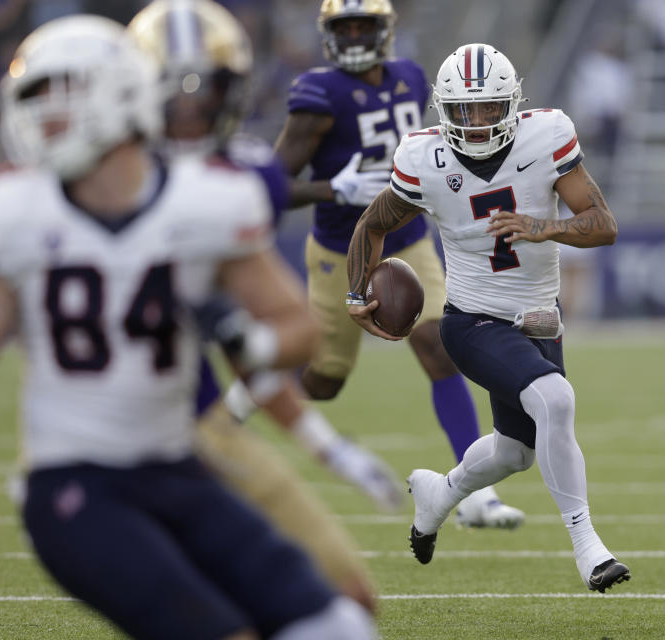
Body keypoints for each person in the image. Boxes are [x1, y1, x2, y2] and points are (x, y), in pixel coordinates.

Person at [0, 15, 376, 639]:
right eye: (36, 102)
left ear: (122, 96)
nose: (46, 121)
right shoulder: (16, 212)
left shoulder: (206, 201)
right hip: (77, 483)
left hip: (177, 466)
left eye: (62, 100)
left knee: (339, 624)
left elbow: (298, 328)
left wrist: (250, 343)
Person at [127, 0, 394, 612]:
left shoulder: (235, 186)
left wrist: (328, 446)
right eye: (173, 94)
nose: (189, 112)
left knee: (350, 597)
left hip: (201, 427)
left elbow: (269, 338)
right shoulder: (69, 194)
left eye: (205, 92)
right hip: (104, 450)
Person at [346, 43, 630, 593]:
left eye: (488, 109)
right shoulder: (424, 158)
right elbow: (372, 223)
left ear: (513, 105)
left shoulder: (545, 136)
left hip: (540, 318)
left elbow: (604, 223)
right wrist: (357, 293)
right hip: (472, 318)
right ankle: (588, 547)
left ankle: (441, 493)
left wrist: (541, 226)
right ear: (443, 111)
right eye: (464, 111)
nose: (476, 125)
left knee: (514, 452)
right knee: (556, 399)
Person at [273, 0, 523, 528]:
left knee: (436, 346)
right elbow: (268, 185)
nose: (357, 34)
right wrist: (331, 187)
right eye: (347, 26)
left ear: (386, 29)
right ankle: (260, 376)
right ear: (330, 34)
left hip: (407, 239)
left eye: (366, 24)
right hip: (339, 251)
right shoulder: (318, 96)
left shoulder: (411, 77)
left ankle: (471, 491)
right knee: (324, 382)